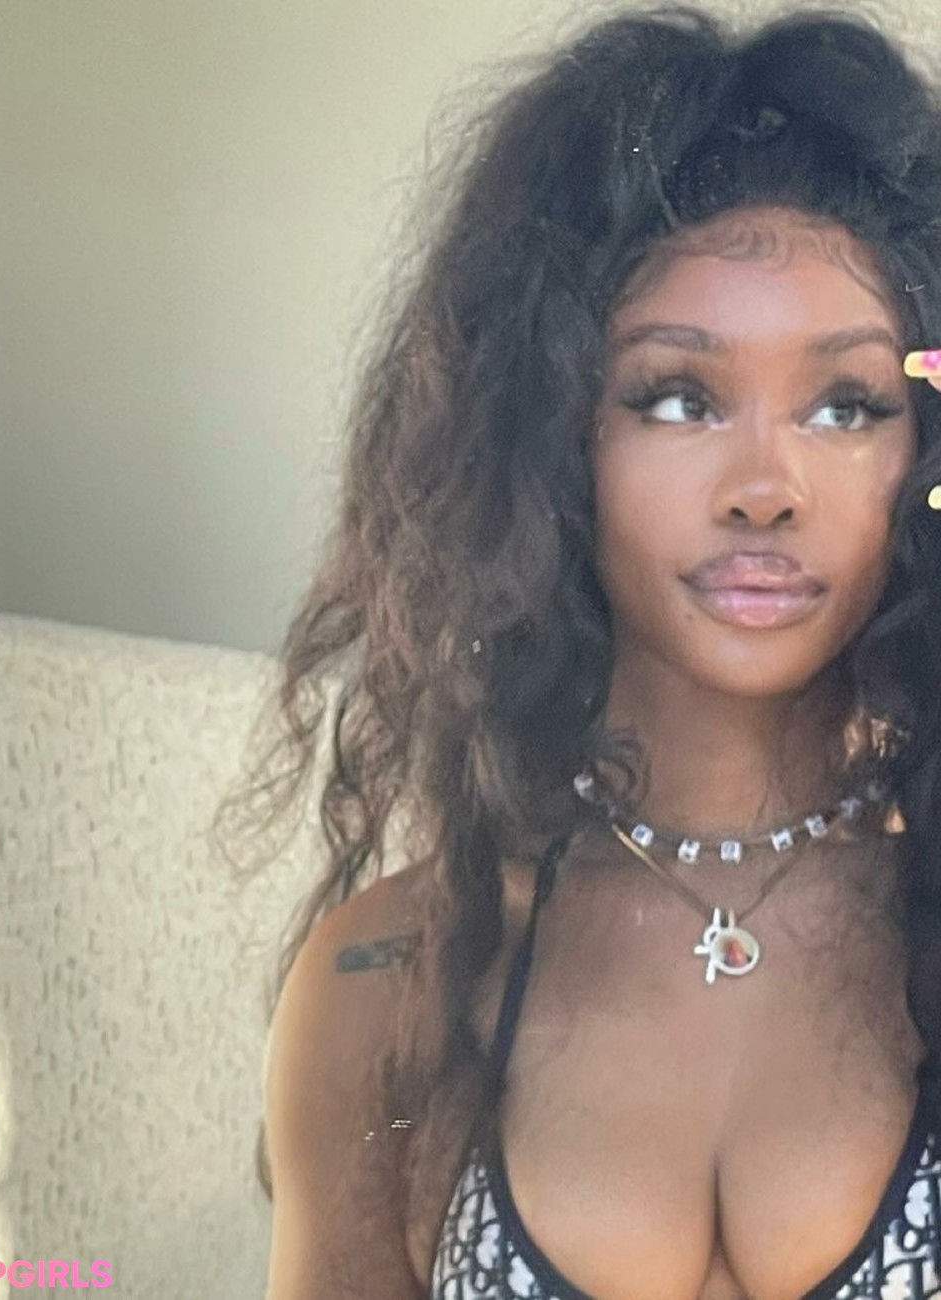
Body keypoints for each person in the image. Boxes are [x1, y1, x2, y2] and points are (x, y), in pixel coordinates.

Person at [249, 4, 941, 1296]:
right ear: (550, 440)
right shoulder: (391, 986)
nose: (766, 488)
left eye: (849, 406)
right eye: (678, 397)